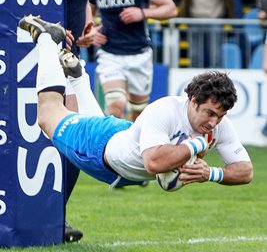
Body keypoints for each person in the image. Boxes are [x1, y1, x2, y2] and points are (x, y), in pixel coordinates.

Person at [18, 15, 254, 196]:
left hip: (122, 139)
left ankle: (78, 77)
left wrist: (212, 173)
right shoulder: (165, 110)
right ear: (193, 101)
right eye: (209, 113)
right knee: (48, 116)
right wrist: (197, 144)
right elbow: (153, 163)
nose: (213, 122)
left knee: (93, 122)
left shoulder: (219, 125)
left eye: (220, 117)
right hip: (100, 152)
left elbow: (246, 170)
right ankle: (48, 39)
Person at [89, 0, 177, 121]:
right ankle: (112, 149)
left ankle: (131, 148)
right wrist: (91, 32)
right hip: (110, 55)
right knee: (115, 107)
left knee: (138, 115)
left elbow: (171, 9)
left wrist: (142, 13)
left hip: (139, 55)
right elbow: (87, 16)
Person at [63, 0, 94, 243]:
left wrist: (87, 31)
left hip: (72, 64)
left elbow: (84, 9)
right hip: (42, 65)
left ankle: (58, 214)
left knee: (76, 144)